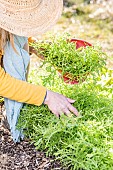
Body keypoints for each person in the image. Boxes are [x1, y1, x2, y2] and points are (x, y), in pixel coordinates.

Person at [0, 0, 78, 141]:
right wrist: (46, 96)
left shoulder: (6, 27)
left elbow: (15, 36)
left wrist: (47, 52)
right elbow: (1, 82)